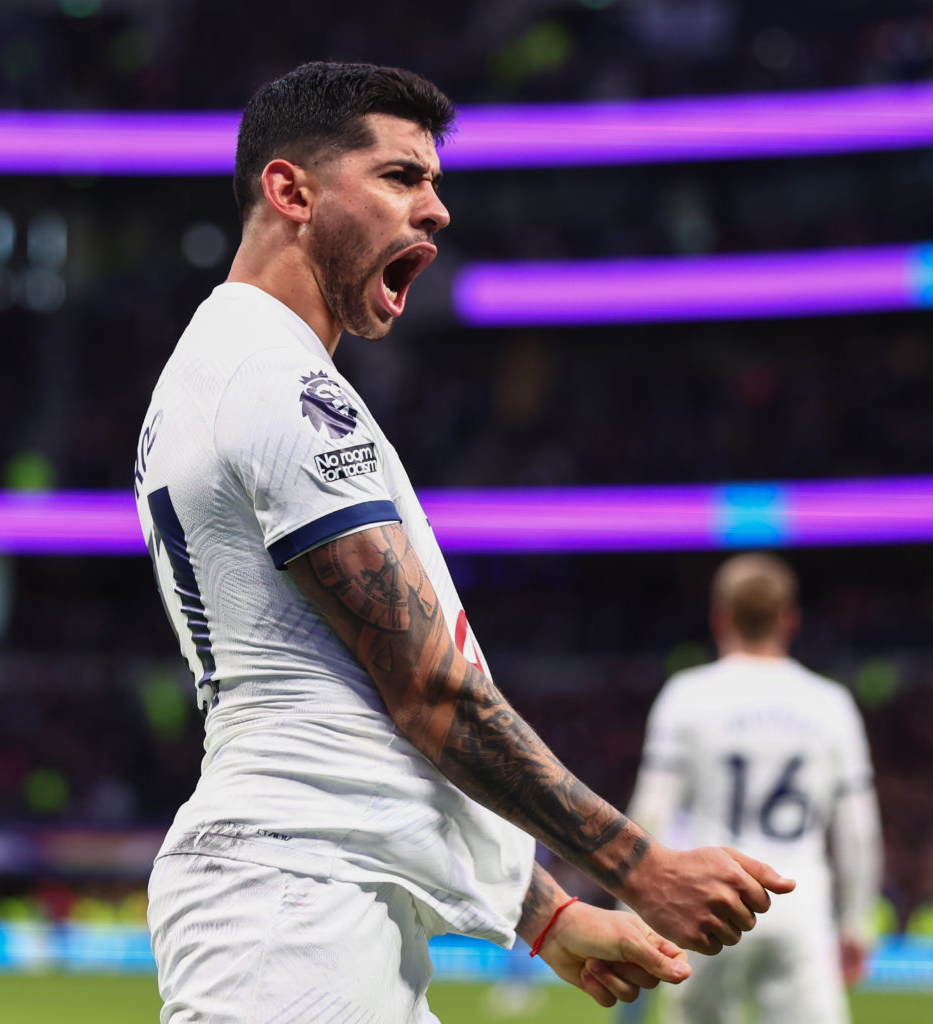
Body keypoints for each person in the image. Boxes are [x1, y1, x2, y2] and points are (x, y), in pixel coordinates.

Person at [133, 61, 794, 1023]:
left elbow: (348, 725)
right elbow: (430, 691)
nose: (436, 209)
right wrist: (640, 866)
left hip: (309, 902)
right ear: (291, 192)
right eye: (402, 176)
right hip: (290, 921)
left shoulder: (222, 369)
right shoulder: (276, 379)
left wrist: (548, 914)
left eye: (435, 182)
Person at [619, 553, 883, 1024]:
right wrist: (856, 924)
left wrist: (632, 911)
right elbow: (858, 832)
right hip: (799, 905)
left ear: (720, 618)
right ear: (790, 619)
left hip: (708, 903)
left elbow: (650, 813)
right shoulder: (831, 704)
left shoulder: (688, 695)